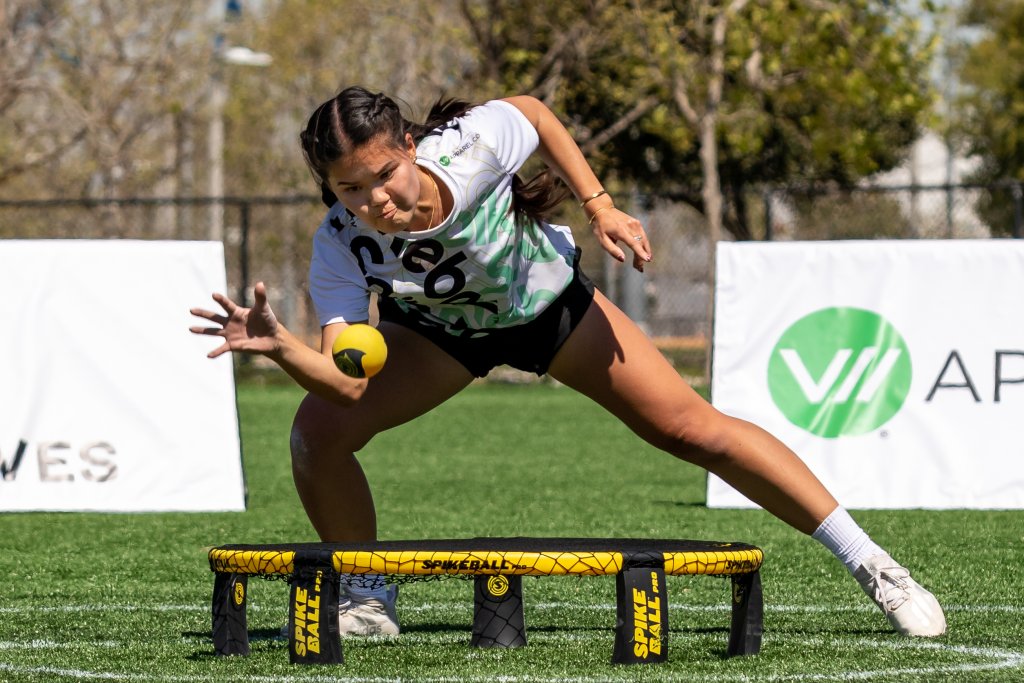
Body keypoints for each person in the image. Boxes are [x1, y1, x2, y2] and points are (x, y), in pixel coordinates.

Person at [190, 86, 946, 639]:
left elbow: (536, 112)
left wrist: (601, 204)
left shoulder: (474, 145)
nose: (375, 200)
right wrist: (283, 345)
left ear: (409, 147)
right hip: (441, 338)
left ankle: (873, 564)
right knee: (315, 432)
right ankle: (367, 588)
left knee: (692, 430)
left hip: (549, 309)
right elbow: (347, 379)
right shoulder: (339, 241)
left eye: (384, 174)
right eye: (349, 188)